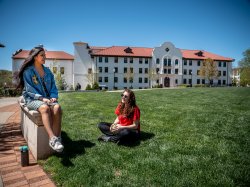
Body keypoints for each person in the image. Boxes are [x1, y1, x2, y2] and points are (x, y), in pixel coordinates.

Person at [17, 45, 64, 152]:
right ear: (35, 57)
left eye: (45, 55)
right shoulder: (28, 72)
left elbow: (53, 87)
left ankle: (57, 140)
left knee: (57, 108)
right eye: (42, 55)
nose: (44, 57)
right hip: (32, 99)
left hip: (47, 99)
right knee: (45, 109)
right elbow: (29, 90)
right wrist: (43, 99)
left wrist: (53, 97)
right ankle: (52, 139)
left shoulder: (48, 72)